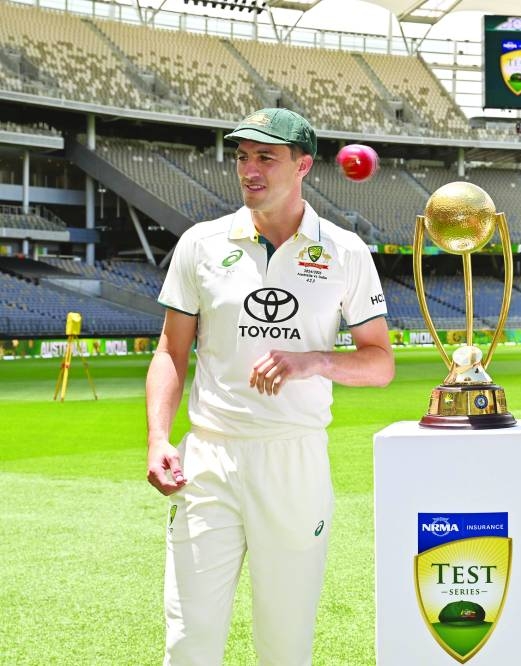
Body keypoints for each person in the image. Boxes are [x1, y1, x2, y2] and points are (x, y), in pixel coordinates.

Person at [145, 107, 395, 665]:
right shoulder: (201, 243)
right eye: (241, 157)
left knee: (285, 645)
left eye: (266, 157)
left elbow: (379, 364)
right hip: (208, 458)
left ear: (302, 165)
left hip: (294, 461)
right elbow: (170, 351)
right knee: (189, 641)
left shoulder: (344, 251)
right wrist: (159, 438)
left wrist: (313, 362)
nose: (249, 170)